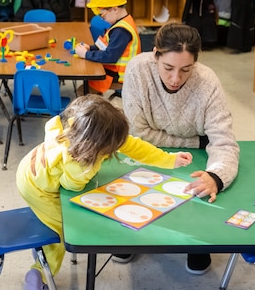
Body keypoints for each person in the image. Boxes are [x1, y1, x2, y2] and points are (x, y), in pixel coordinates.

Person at [16, 95, 192, 290]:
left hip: (28, 166)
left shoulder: (81, 127)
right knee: (63, 231)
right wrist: (91, 168)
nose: (115, 149)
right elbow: (71, 186)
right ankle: (39, 272)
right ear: (95, 145)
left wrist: (169, 159)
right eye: (108, 150)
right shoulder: (79, 165)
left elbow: (134, 146)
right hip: (37, 190)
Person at [121, 22, 240, 274]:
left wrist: (216, 177)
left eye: (186, 69)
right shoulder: (137, 71)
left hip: (196, 158)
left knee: (199, 192)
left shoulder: (207, 82)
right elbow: (139, 134)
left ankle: (195, 243)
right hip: (148, 150)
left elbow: (224, 142)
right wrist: (195, 142)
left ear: (195, 63)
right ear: (155, 55)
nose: (176, 78)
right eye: (168, 68)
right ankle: (128, 233)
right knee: (130, 185)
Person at [74, 0, 140, 95]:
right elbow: (106, 45)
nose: (102, 19)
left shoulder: (121, 31)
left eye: (103, 15)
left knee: (82, 92)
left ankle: (96, 110)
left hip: (117, 76)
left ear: (115, 9)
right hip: (112, 71)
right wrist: (90, 48)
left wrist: (85, 54)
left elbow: (110, 56)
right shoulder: (121, 23)